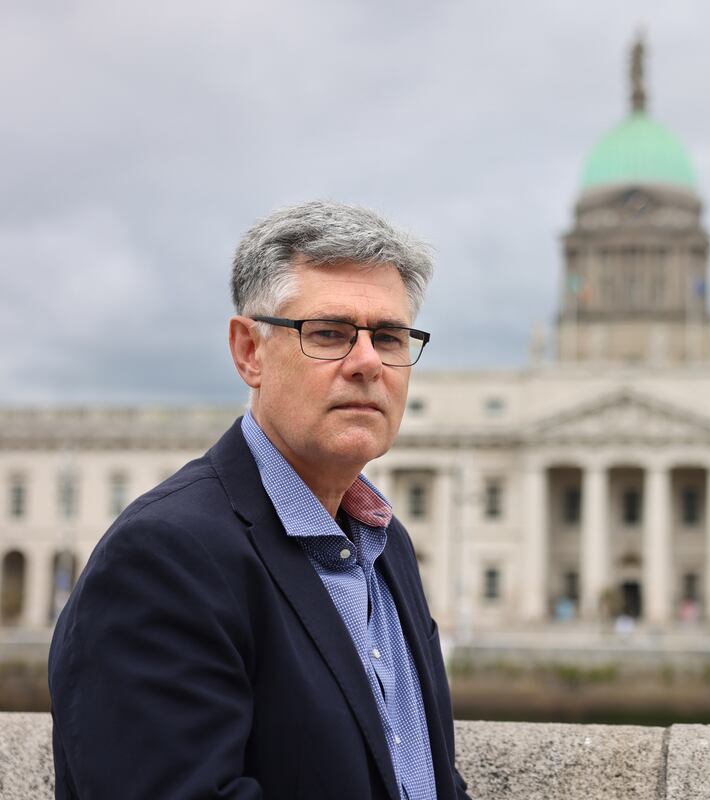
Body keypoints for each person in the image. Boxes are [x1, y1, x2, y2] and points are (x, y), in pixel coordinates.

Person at [49, 201, 470, 799]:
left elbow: (426, 779)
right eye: (328, 333)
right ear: (250, 351)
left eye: (388, 337)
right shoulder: (162, 557)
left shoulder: (387, 546)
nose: (367, 363)